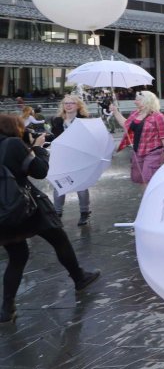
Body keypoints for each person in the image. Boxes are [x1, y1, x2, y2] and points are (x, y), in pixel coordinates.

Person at [1, 114, 100, 323]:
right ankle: (79, 277)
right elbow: (40, 171)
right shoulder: (13, 144)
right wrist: (37, 148)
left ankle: (7, 308)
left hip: (4, 212)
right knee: (59, 239)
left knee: (17, 257)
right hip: (28, 206)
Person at [110, 91, 164, 187]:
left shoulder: (158, 117)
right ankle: (148, 199)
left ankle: (151, 200)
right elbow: (126, 125)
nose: (135, 102)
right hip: (138, 151)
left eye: (137, 100)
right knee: (140, 179)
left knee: (148, 179)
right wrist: (115, 112)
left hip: (153, 151)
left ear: (146, 101)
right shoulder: (135, 113)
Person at [50, 95, 93, 226]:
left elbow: (89, 139)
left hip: (79, 157)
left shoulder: (84, 120)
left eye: (71, 103)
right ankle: (57, 213)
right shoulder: (57, 121)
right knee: (59, 185)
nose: (68, 105)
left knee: (81, 187)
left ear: (78, 105)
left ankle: (84, 213)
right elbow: (53, 138)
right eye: (66, 103)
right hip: (62, 157)